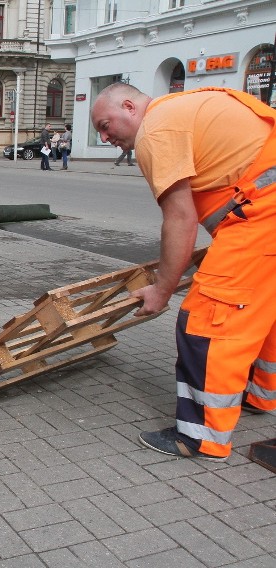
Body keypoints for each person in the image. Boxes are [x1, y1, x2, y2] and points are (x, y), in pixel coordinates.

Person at [91, 83, 276, 462]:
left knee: (207, 322)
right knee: (261, 312)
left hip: (262, 218)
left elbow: (179, 219)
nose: (105, 137)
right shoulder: (182, 106)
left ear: (130, 106)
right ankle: (259, 395)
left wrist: (162, 290)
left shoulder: (155, 131)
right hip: (262, 218)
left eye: (106, 125)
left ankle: (201, 437)